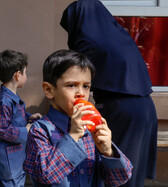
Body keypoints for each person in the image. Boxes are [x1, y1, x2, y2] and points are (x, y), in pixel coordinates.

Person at [60, 0, 158, 186]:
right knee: (131, 173)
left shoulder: (89, 43)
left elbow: (76, 80)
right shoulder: (118, 36)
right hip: (144, 108)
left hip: (122, 110)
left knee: (118, 173)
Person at [23, 49, 133, 186]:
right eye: (71, 85)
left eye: (86, 86)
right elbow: (46, 175)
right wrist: (73, 135)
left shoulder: (90, 128)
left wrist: (108, 152)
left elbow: (119, 179)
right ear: (49, 90)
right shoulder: (40, 131)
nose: (81, 93)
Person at [0, 49, 42, 187]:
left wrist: (29, 116)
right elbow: (2, 129)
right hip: (10, 161)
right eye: (26, 72)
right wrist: (26, 130)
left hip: (17, 157)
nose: (26, 75)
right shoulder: (5, 101)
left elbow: (16, 116)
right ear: (18, 75)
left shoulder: (11, 97)